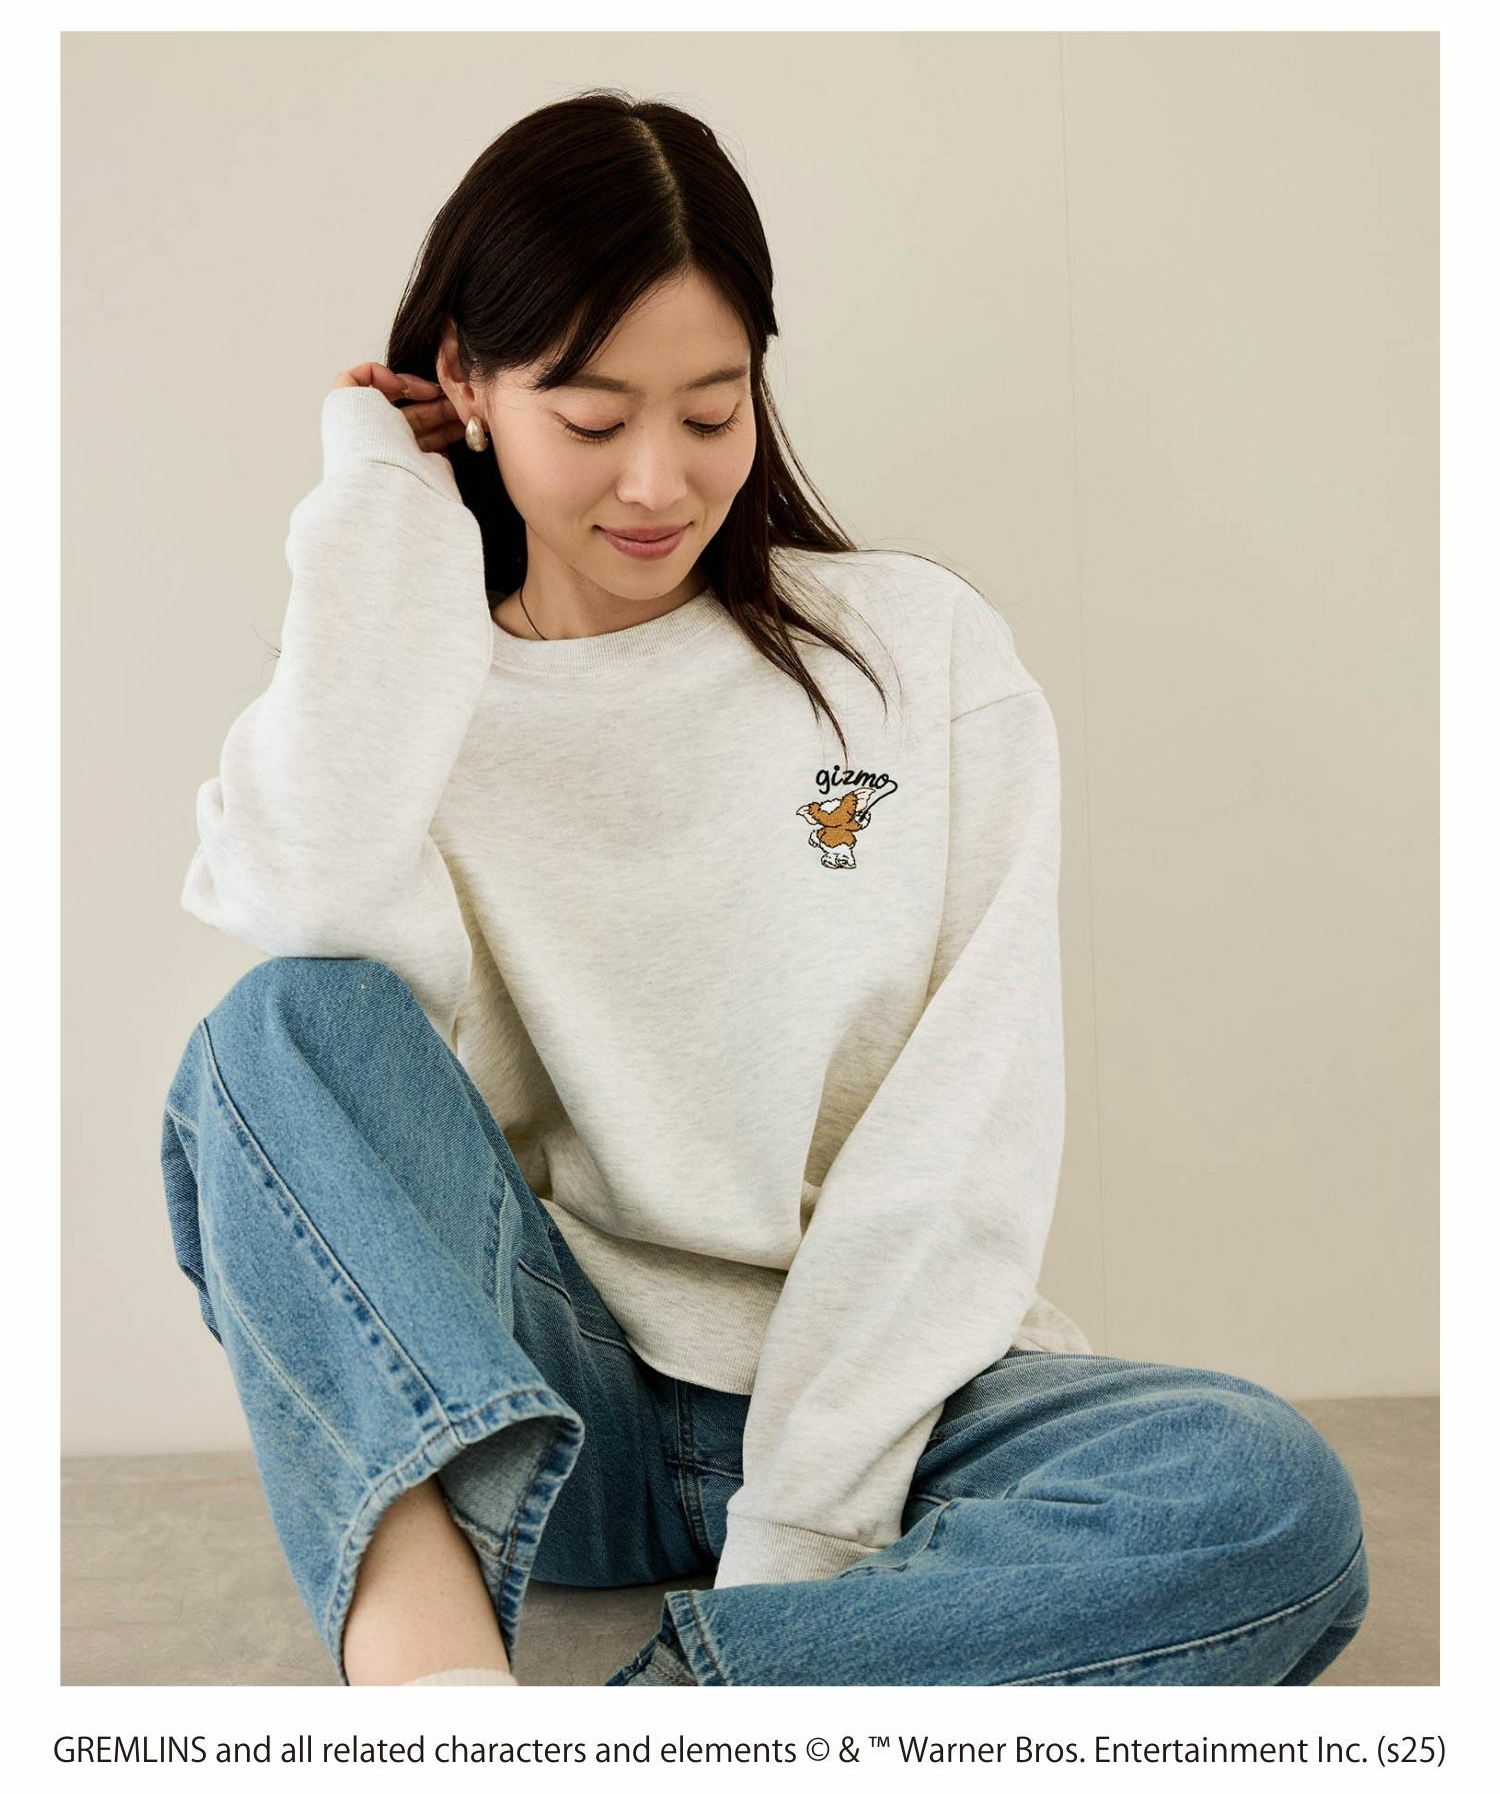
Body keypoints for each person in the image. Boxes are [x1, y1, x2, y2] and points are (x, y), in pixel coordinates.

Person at [159, 90, 1370, 1689]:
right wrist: (380, 502)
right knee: (275, 1030)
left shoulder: (914, 662)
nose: (657, 483)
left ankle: (680, 1721)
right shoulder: (396, 699)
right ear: (467, 380)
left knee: (1264, 1495)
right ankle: (435, 1700)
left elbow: (959, 1136)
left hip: (895, 1401)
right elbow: (310, 921)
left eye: (713, 412)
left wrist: (801, 1532)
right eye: (592, 420)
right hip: (551, 1411)